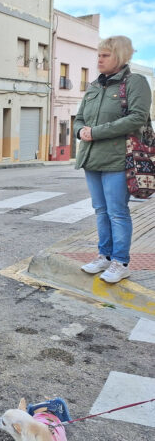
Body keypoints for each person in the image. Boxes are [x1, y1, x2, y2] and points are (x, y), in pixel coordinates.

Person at [74, 36, 151, 284]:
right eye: (98, 55)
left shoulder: (135, 82)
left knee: (117, 212)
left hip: (119, 158)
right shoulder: (95, 85)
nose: (99, 59)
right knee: (100, 210)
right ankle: (104, 256)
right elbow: (79, 117)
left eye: (105, 55)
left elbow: (137, 117)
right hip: (92, 158)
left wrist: (95, 132)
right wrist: (80, 131)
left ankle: (121, 262)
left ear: (119, 56)